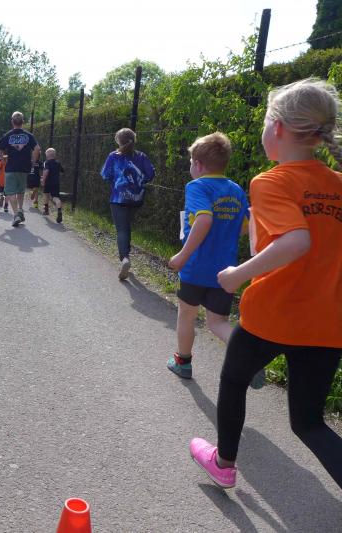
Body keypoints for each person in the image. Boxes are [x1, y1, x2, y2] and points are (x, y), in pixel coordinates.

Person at [190, 79, 342, 490]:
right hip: (328, 322)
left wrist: (236, 275)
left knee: (235, 379)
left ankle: (224, 464)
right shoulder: (338, 184)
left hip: (273, 314)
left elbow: (296, 242)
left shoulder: (271, 181)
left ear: (276, 127)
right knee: (309, 423)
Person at [166, 132, 248, 382]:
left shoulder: (197, 186)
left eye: (191, 162)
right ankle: (250, 357)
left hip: (196, 267)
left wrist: (182, 255)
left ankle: (183, 363)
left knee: (187, 315)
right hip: (226, 270)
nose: (191, 167)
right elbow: (245, 226)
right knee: (217, 322)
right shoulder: (235, 189)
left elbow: (204, 219)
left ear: (199, 165)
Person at [100, 128, 155, 280]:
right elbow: (151, 174)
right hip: (136, 199)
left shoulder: (113, 156)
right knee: (127, 226)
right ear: (134, 140)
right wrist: (140, 182)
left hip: (118, 198)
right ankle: (126, 255)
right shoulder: (142, 156)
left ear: (118, 141)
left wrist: (115, 182)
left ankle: (124, 258)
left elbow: (105, 174)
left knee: (121, 229)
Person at [0, 112, 40, 227]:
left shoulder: (7, 135)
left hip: (11, 168)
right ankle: (21, 209)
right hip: (24, 168)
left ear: (12, 122)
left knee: (11, 192)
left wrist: (3, 159)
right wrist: (33, 161)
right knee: (20, 190)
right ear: (23, 122)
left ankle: (16, 214)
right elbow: (37, 149)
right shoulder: (29, 135)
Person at [41, 147, 65, 223]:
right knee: (56, 198)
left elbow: (46, 171)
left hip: (48, 182)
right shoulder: (58, 163)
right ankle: (59, 211)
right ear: (54, 155)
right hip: (56, 183)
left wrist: (43, 180)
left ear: (47, 155)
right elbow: (62, 171)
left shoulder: (46, 163)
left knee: (46, 194)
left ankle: (46, 209)